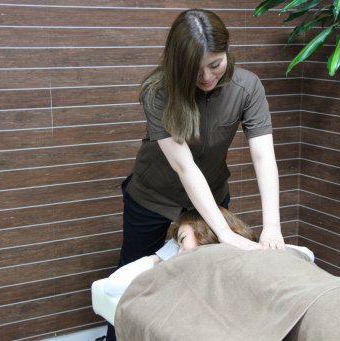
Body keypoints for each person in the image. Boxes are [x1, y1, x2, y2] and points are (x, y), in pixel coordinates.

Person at [107, 8, 285, 340]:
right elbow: (183, 165)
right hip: (152, 197)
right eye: (194, 70)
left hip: (212, 195)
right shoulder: (158, 91)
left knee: (208, 278)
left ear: (227, 52)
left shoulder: (247, 87)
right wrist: (224, 232)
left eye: (214, 65)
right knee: (134, 279)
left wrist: (272, 226)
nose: (206, 77)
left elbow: (263, 156)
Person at [104, 207, 313, 299]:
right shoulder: (184, 272)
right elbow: (113, 286)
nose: (180, 250)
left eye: (183, 239)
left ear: (204, 230)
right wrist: (159, 257)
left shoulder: (248, 252)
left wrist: (261, 249)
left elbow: (306, 254)